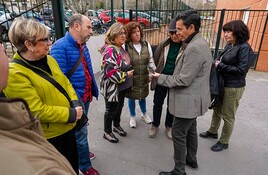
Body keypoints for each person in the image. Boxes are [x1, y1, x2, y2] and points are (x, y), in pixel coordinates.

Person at [3, 17, 82, 174]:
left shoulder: (50, 59)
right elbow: (35, 109)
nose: (49, 43)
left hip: (68, 128)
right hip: (51, 137)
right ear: (29, 44)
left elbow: (65, 83)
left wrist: (74, 101)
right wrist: (71, 114)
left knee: (72, 166)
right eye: (45, 39)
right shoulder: (15, 74)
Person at [151, 11, 212, 175]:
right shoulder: (199, 42)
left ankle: (179, 170)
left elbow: (183, 80)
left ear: (191, 27)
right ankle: (191, 159)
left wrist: (160, 77)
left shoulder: (194, 48)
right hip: (194, 100)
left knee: (178, 134)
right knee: (191, 130)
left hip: (187, 102)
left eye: (179, 29)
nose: (176, 33)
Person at [50, 14, 99, 175]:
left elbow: (88, 70)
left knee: (81, 130)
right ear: (76, 26)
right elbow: (61, 81)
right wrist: (75, 102)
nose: (92, 31)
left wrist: (92, 89)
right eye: (89, 27)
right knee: (81, 132)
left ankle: (81, 153)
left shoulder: (82, 45)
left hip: (86, 96)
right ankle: (84, 167)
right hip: (75, 101)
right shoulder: (59, 47)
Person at [199, 20, 254, 152]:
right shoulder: (231, 45)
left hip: (234, 87)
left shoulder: (244, 48)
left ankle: (224, 142)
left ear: (238, 32)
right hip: (222, 83)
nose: (226, 34)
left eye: (229, 31)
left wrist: (220, 65)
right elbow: (220, 59)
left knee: (228, 116)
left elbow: (241, 70)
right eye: (225, 31)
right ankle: (213, 131)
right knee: (217, 109)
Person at [100, 22, 134, 143]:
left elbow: (124, 63)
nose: (124, 35)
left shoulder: (121, 48)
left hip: (122, 86)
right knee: (111, 110)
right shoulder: (110, 51)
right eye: (120, 33)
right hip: (112, 88)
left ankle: (116, 125)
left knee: (119, 107)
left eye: (124, 33)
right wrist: (127, 74)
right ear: (113, 35)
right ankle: (107, 131)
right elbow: (111, 74)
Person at [149, 19, 183, 139]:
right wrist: (155, 74)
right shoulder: (164, 44)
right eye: (171, 33)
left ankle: (169, 126)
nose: (173, 36)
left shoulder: (186, 46)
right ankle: (155, 125)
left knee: (172, 104)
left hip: (174, 80)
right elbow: (156, 59)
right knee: (157, 103)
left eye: (176, 33)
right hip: (161, 78)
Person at [124, 21, 155, 128]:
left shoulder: (146, 44)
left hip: (144, 77)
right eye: (133, 32)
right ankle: (132, 116)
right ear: (129, 35)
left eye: (138, 31)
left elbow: (151, 60)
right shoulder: (126, 46)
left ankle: (144, 114)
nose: (137, 34)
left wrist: (151, 74)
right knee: (131, 97)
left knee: (143, 96)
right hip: (131, 79)